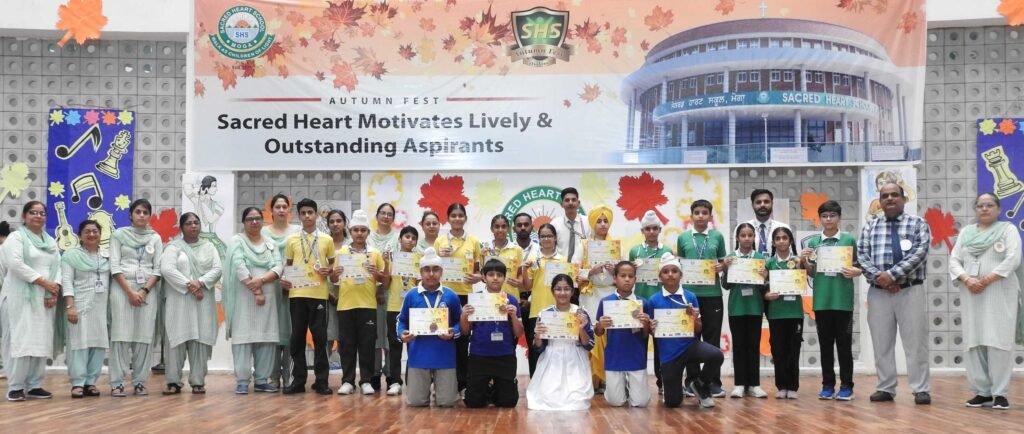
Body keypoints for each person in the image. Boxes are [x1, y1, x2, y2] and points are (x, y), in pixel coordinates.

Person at [856, 183, 932, 405]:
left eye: (894, 195)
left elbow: (920, 252)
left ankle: (920, 389)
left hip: (910, 290)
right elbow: (861, 256)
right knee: (881, 342)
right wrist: (881, 278)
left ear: (903, 199)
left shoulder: (918, 224)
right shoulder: (870, 226)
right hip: (878, 292)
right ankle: (885, 387)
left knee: (916, 342)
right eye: (885, 196)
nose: (890, 198)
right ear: (880, 201)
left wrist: (892, 275)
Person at [949, 193, 1022, 410]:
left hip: (1000, 292)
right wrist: (967, 279)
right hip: (972, 293)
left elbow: (1013, 259)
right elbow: (954, 260)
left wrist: (987, 279)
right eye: (980, 205)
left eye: (989, 205)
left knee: (998, 340)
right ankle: (982, 392)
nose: (984, 209)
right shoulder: (966, 233)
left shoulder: (1008, 230)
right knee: (974, 340)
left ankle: (1000, 393)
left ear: (999, 209)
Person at [801, 200, 861, 401]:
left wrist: (856, 271)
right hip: (822, 301)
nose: (828, 219)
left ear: (839, 218)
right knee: (825, 346)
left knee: (844, 346)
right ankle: (827, 385)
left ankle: (847, 386)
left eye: (832, 216)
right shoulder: (813, 243)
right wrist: (804, 261)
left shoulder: (848, 240)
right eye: (825, 216)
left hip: (842, 301)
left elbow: (858, 265)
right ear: (820, 219)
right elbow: (812, 273)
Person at [1, 201, 62, 401]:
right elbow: (15, 264)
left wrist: (53, 290)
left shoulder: (50, 241)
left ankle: (34, 384)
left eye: (42, 213)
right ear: (24, 216)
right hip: (19, 296)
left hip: (44, 297)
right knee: (19, 340)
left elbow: (58, 266)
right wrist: (44, 282)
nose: (38, 216)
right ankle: (15, 386)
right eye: (33, 212)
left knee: (40, 340)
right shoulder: (16, 237)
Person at [647, 253, 724, 409]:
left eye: (674, 271)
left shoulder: (690, 297)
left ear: (681, 275)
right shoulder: (654, 300)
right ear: (660, 276)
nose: (670, 275)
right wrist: (651, 328)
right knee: (673, 403)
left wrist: (695, 319)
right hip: (669, 354)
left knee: (717, 355)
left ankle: (699, 384)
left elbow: (698, 328)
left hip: (690, 347)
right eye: (665, 271)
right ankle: (675, 389)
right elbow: (651, 331)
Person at [160, 212, 222, 394]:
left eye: (196, 222)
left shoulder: (209, 246)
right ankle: (173, 381)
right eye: (189, 223)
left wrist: (200, 282)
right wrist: (190, 285)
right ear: (181, 227)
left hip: (203, 302)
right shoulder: (173, 247)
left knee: (201, 340)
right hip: (179, 301)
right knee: (176, 339)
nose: (193, 226)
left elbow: (217, 269)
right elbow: (167, 269)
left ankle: (198, 381)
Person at [224, 207, 283, 394]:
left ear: (263, 221)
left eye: (258, 218)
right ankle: (242, 380)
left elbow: (278, 266)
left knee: (266, 338)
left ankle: (261, 380)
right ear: (244, 222)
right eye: (250, 219)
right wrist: (257, 291)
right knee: (243, 338)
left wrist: (262, 281)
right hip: (244, 297)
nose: (254, 222)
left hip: (268, 296)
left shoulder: (270, 243)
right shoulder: (237, 241)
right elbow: (239, 266)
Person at [280, 198, 336, 395]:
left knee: (320, 338)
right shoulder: (292, 240)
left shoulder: (327, 239)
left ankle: (321, 381)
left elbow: (333, 265)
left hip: (319, 295)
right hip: (297, 294)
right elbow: (288, 266)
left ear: (316, 214)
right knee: (297, 338)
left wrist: (329, 271)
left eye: (310, 212)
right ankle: (298, 380)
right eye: (303, 213)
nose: (307, 216)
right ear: (298, 215)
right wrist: (284, 280)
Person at [109, 198, 163, 397]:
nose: (141, 215)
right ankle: (117, 382)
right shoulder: (119, 235)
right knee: (121, 336)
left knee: (143, 337)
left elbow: (158, 269)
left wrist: (144, 291)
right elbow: (114, 266)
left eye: (145, 212)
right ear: (130, 215)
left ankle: (140, 381)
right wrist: (130, 292)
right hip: (122, 289)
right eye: (138, 211)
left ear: (149, 216)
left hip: (147, 290)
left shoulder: (155, 238)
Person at [398, 247, 463, 407]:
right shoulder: (411, 295)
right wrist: (402, 334)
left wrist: (453, 332)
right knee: (416, 402)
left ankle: (440, 391)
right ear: (420, 272)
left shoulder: (451, 295)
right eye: (427, 270)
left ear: (441, 272)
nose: (431, 274)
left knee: (447, 402)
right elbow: (402, 320)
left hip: (444, 356)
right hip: (418, 355)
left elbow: (459, 322)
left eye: (435, 269)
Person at [676, 199, 727, 398]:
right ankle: (691, 381)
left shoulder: (717, 236)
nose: (700, 216)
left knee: (712, 339)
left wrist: (722, 266)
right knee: (691, 338)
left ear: (710, 217)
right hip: (689, 295)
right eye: (696, 212)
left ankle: (712, 382)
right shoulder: (683, 238)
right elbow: (680, 265)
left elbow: (722, 262)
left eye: (704, 213)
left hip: (712, 294)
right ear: (691, 216)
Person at [334, 210, 387, 395]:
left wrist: (376, 273)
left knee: (367, 344)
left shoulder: (375, 253)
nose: (359, 233)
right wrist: (335, 273)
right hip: (345, 305)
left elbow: (384, 280)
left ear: (368, 232)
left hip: (368, 305)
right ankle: (347, 381)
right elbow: (333, 279)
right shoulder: (341, 252)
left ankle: (366, 380)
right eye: (356, 230)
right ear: (350, 231)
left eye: (363, 230)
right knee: (347, 345)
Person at [460, 258, 524, 408]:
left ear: (504, 278)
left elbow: (519, 333)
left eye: (499, 275)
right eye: (491, 274)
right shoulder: (475, 299)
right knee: (473, 403)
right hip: (479, 354)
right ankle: (487, 389)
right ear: (483, 277)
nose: (495, 278)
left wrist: (514, 316)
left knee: (508, 402)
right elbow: (465, 331)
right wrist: (463, 316)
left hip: (504, 355)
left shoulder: (511, 300)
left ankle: (496, 389)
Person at [526, 274, 595, 411]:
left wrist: (581, 329)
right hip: (552, 358)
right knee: (546, 398)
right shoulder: (545, 314)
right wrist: (538, 335)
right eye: (558, 289)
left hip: (575, 358)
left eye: (566, 289)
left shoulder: (581, 312)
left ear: (572, 291)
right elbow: (539, 348)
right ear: (552, 291)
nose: (562, 293)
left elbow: (589, 345)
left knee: (577, 401)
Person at [433, 203, 482, 392]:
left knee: (462, 339)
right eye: (453, 215)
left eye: (460, 215)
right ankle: (441, 383)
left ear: (465, 218)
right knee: (442, 336)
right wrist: (439, 256)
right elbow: (432, 268)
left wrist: (477, 277)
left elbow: (479, 271)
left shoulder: (473, 241)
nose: (457, 219)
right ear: (448, 218)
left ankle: (462, 383)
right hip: (443, 295)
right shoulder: (440, 241)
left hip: (465, 296)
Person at [61, 220, 110, 398]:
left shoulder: (107, 255)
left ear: (100, 234)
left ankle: (90, 382)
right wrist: (70, 306)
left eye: (95, 231)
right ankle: (77, 383)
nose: (91, 234)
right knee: (79, 344)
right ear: (80, 235)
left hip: (101, 307)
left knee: (98, 344)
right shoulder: (71, 255)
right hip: (80, 305)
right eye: (87, 231)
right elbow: (67, 281)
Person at [594, 261, 651, 407]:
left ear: (635, 279)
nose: (627, 279)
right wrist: (600, 325)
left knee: (641, 403)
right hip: (614, 355)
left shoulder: (642, 303)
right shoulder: (606, 302)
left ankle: (631, 388)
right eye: (623, 276)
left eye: (630, 276)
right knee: (615, 402)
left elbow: (646, 335)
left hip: (636, 355)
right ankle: (622, 388)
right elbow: (598, 333)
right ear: (615, 278)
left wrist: (646, 324)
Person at [721, 223, 768, 399]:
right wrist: (726, 269)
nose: (747, 238)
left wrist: (765, 277)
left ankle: (755, 384)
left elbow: (764, 287)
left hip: (755, 307)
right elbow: (726, 286)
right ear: (737, 238)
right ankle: (739, 384)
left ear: (754, 237)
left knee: (753, 346)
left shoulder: (760, 258)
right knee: (739, 346)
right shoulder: (730, 258)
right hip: (736, 308)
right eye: (743, 235)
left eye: (750, 235)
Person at [627, 210, 672, 392]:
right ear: (642, 231)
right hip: (641, 303)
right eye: (648, 229)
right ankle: (637, 382)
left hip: (661, 302)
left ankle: (663, 382)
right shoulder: (635, 251)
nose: (651, 232)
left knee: (662, 344)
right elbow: (628, 276)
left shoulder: (667, 251)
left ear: (660, 230)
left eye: (655, 228)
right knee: (640, 343)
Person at [261, 194, 300, 390]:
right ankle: (272, 376)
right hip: (270, 286)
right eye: (278, 206)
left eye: (285, 206)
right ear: (271, 210)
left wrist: (292, 279)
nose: (282, 210)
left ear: (289, 209)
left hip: (293, 287)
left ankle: (290, 377)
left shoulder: (298, 232)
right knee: (272, 331)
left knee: (292, 331)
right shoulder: (263, 232)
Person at [579, 205, 619, 393]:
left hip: (611, 295)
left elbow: (626, 271)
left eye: (606, 221)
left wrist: (616, 270)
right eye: (599, 221)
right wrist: (590, 271)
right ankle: (591, 380)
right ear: (592, 223)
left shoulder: (616, 246)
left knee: (609, 335)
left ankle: (607, 379)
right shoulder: (584, 245)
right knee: (592, 334)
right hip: (590, 295)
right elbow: (573, 270)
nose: (603, 224)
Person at [521, 223, 571, 376]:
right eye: (543, 236)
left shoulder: (563, 260)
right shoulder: (533, 259)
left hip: (558, 311)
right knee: (536, 350)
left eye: (549, 236)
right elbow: (528, 286)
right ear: (539, 239)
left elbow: (568, 286)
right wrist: (524, 269)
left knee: (557, 350)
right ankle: (535, 384)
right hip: (537, 311)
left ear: (555, 238)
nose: (546, 239)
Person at [764, 227, 804, 399]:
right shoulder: (768, 264)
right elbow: (762, 287)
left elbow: (806, 278)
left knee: (793, 349)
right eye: (778, 238)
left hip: (795, 312)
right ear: (773, 243)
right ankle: (781, 385)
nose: (781, 241)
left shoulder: (798, 261)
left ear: (790, 241)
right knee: (778, 349)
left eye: (784, 238)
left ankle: (793, 386)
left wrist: (802, 265)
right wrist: (766, 295)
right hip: (776, 313)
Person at [384, 226, 421, 396]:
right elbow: (385, 284)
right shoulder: (392, 258)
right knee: (395, 346)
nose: (410, 240)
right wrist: (386, 264)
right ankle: (394, 381)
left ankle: (413, 382)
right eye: (407, 236)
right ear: (400, 239)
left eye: (413, 238)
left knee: (415, 346)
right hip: (394, 306)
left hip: (414, 308)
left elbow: (421, 285)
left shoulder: (419, 259)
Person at [369, 203, 399, 392]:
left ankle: (390, 374)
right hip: (369, 291)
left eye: (389, 214)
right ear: (377, 215)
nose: (386, 216)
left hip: (391, 290)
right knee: (373, 334)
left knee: (389, 335)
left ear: (393, 218)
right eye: (383, 213)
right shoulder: (368, 237)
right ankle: (373, 374)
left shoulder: (397, 239)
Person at [325, 210, 350, 372]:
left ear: (345, 223)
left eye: (339, 221)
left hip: (349, 296)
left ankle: (347, 376)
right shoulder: (323, 243)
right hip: (326, 296)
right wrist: (329, 294)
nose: (335, 224)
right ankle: (323, 376)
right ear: (328, 224)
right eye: (332, 221)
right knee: (326, 336)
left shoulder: (352, 244)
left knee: (346, 337)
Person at [481, 215, 525, 301]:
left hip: (512, 297)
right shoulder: (485, 250)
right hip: (490, 297)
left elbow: (520, 274)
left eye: (504, 226)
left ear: (508, 229)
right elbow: (483, 276)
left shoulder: (517, 249)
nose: (500, 230)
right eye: (497, 227)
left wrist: (519, 282)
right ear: (491, 229)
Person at [745, 189, 790, 255]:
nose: (762, 205)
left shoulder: (783, 227)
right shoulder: (742, 228)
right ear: (752, 205)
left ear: (772, 204)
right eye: (758, 202)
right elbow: (738, 255)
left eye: (766, 202)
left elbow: (789, 255)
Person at [555, 187, 589, 265]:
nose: (570, 203)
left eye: (573, 200)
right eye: (567, 200)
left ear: (579, 203)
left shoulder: (588, 222)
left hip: (583, 268)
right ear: (561, 204)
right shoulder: (555, 224)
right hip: (561, 267)